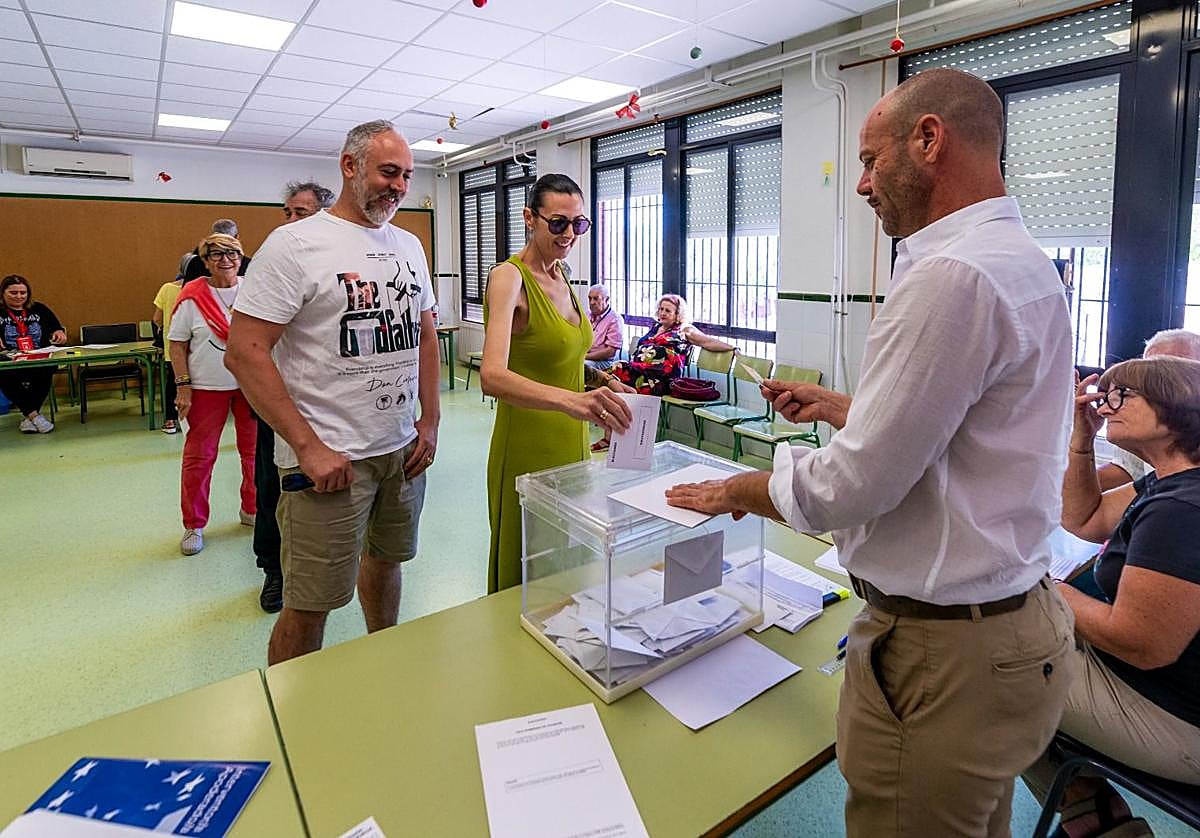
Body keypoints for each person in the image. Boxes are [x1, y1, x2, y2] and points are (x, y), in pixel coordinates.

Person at [665, 68, 1077, 836]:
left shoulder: (952, 277)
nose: (860, 184)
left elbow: (849, 488)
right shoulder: (1020, 261)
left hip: (943, 655)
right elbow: (978, 434)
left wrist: (735, 491)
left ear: (928, 140)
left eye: (868, 158)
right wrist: (855, 411)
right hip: (1014, 632)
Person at [226, 120, 440, 664]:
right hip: (328, 460)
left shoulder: (409, 245)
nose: (398, 186)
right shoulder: (295, 244)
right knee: (310, 602)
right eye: (388, 172)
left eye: (407, 176)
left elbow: (425, 333)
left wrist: (430, 420)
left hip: (400, 449)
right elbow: (245, 351)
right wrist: (307, 446)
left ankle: (383, 657)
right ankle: (291, 714)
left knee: (388, 560)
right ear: (350, 166)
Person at [1023, 357, 1200, 837]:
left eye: (1121, 395)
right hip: (1168, 688)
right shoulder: (1170, 481)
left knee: (979, 658)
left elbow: (1142, 644)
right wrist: (1082, 437)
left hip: (1177, 719)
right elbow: (1083, 517)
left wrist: (1046, 587)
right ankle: (1094, 809)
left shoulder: (1181, 510)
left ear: (1177, 409)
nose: (1103, 402)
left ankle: (1089, 813)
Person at [481, 173, 633, 594]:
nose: (569, 234)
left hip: (572, 440)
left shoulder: (564, 275)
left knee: (565, 561)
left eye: (578, 224)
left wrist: (602, 380)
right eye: (558, 223)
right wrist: (572, 401)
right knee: (526, 568)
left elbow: (561, 354)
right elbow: (492, 375)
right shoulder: (509, 278)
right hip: (528, 442)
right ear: (530, 218)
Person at [252, 180, 335, 614]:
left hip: (334, 411)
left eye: (300, 213)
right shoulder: (279, 258)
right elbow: (248, 347)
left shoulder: (335, 258)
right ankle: (273, 572)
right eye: (287, 212)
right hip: (284, 408)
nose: (290, 221)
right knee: (273, 492)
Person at [168, 233, 257, 556]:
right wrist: (183, 385)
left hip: (251, 386)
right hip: (206, 388)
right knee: (199, 457)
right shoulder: (191, 296)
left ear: (241, 257)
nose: (225, 260)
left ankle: (252, 509)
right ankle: (194, 524)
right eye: (216, 254)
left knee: (255, 453)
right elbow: (176, 344)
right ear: (204, 261)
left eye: (232, 252)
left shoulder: (254, 290)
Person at [591, 293, 734, 453]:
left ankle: (619, 439)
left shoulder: (684, 329)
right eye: (661, 309)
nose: (663, 313)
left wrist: (733, 348)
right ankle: (613, 436)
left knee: (618, 373)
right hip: (639, 372)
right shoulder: (655, 327)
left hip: (661, 379)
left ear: (677, 314)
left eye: (668, 311)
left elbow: (708, 342)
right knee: (614, 380)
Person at [1095, 329, 1200, 491]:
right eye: (1149, 374)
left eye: (1172, 371)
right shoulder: (1149, 431)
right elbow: (1125, 472)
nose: (1156, 386)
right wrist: (1082, 442)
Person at [0, 274, 66, 433]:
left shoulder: (39, 309)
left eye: (23, 293)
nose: (19, 296)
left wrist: (59, 334)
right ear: (3, 293)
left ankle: (30, 417)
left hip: (39, 356)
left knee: (47, 368)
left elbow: (58, 330)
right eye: (13, 293)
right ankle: (35, 416)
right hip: (10, 358)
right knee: (3, 373)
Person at [151, 255, 190, 434]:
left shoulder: (167, 289)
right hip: (198, 347)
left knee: (173, 383)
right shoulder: (202, 288)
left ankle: (170, 421)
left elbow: (156, 318)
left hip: (173, 346)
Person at [182, 219, 251, 284]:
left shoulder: (196, 262)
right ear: (237, 237)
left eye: (231, 254)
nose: (225, 260)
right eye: (217, 255)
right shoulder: (249, 264)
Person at [584, 284, 624, 370]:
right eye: (589, 298)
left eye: (596, 298)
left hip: (603, 361)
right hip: (584, 355)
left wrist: (584, 356)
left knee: (582, 366)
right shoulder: (587, 314)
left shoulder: (615, 319)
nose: (592, 302)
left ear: (606, 299)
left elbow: (610, 352)